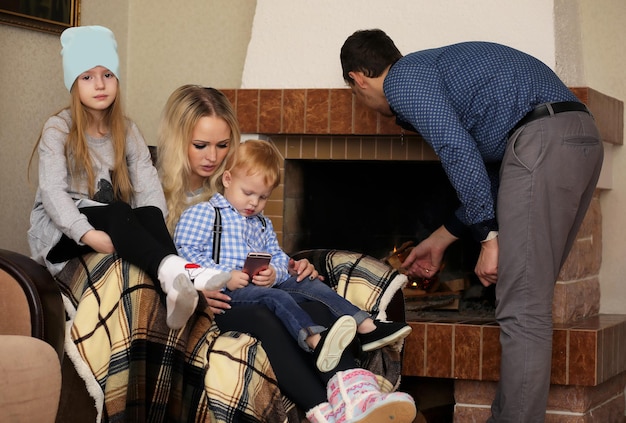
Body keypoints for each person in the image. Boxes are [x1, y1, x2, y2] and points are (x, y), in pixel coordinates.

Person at [340, 29, 604, 422]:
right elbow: (500, 176)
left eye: (355, 92)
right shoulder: (434, 71)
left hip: (542, 143)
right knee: (527, 304)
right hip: (577, 139)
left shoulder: (404, 79)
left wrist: (488, 238)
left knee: (523, 311)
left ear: (358, 79)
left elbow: (455, 149)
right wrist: (442, 238)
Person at [157, 85, 417, 423]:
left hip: (248, 288)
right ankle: (322, 408)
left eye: (223, 146)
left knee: (311, 303)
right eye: (200, 145)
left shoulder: (240, 191)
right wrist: (200, 288)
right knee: (271, 313)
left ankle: (356, 393)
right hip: (206, 299)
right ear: (179, 142)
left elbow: (263, 249)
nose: (212, 156)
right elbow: (163, 264)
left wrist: (292, 265)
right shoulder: (163, 198)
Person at [26, 25, 230, 331]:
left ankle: (176, 287)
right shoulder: (58, 129)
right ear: (74, 82)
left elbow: (149, 188)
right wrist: (87, 234)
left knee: (146, 212)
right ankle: (181, 271)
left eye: (107, 75)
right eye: (87, 76)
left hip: (107, 221)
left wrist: (154, 227)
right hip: (63, 234)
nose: (99, 84)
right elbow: (54, 195)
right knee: (121, 210)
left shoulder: (127, 130)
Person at [174, 139, 412, 373]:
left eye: (263, 197)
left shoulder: (262, 224)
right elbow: (185, 256)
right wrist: (223, 276)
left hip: (259, 286)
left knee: (307, 283)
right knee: (276, 298)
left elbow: (278, 256)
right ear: (227, 179)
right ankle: (315, 342)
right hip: (226, 294)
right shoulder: (204, 214)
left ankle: (366, 327)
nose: (254, 202)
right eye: (248, 193)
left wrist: (274, 273)